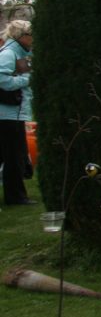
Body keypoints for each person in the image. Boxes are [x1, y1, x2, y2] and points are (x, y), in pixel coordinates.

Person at [0, 20, 34, 205]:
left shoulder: (18, 52)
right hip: (7, 114)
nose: (32, 39)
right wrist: (25, 80)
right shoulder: (9, 53)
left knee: (14, 154)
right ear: (21, 36)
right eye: (30, 35)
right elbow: (1, 78)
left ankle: (15, 194)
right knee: (14, 156)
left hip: (12, 112)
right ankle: (15, 197)